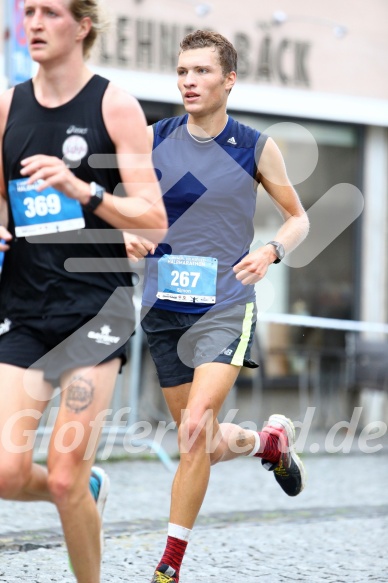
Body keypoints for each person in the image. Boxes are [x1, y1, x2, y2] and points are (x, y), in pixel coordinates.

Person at [125, 30, 310, 582]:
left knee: (192, 432)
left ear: (229, 79)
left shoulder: (254, 146)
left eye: (202, 71)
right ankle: (266, 442)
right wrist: (128, 235)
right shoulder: (153, 137)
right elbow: (123, 208)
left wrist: (272, 250)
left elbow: (298, 217)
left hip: (225, 303)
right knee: (200, 441)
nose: (188, 81)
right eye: (183, 71)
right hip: (164, 305)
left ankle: (168, 568)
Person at [0, 1, 166, 582]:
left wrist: (85, 190)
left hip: (96, 312)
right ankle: (86, 492)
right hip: (23, 309)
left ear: (83, 24)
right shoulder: (7, 106)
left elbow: (152, 220)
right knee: (5, 472)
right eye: (30, 12)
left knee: (64, 472)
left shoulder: (113, 105)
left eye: (50, 12)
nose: (35, 23)